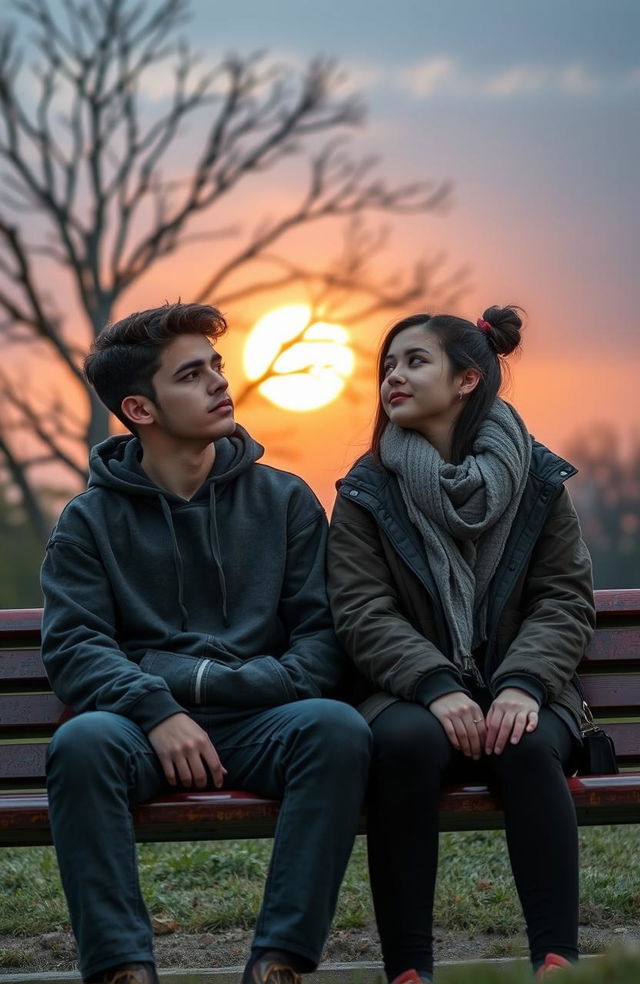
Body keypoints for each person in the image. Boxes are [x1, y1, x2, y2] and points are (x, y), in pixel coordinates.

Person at [41, 302, 371, 984]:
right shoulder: (88, 520)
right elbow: (74, 645)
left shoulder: (285, 501)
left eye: (217, 367)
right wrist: (159, 710)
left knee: (336, 728)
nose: (220, 383)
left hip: (262, 720)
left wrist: (225, 686)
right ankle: (122, 971)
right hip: (144, 732)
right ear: (141, 408)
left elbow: (323, 639)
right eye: (192, 375)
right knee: (81, 744)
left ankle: (278, 964)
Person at [327, 307, 595, 983]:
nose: (393, 375)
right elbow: (361, 610)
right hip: (407, 694)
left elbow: (563, 597)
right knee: (407, 744)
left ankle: (556, 962)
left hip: (525, 686)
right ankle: (410, 972)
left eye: (414, 361)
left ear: (468, 378)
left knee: (527, 744)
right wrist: (437, 684)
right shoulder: (367, 490)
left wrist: (523, 683)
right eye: (387, 364)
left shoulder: (536, 480)